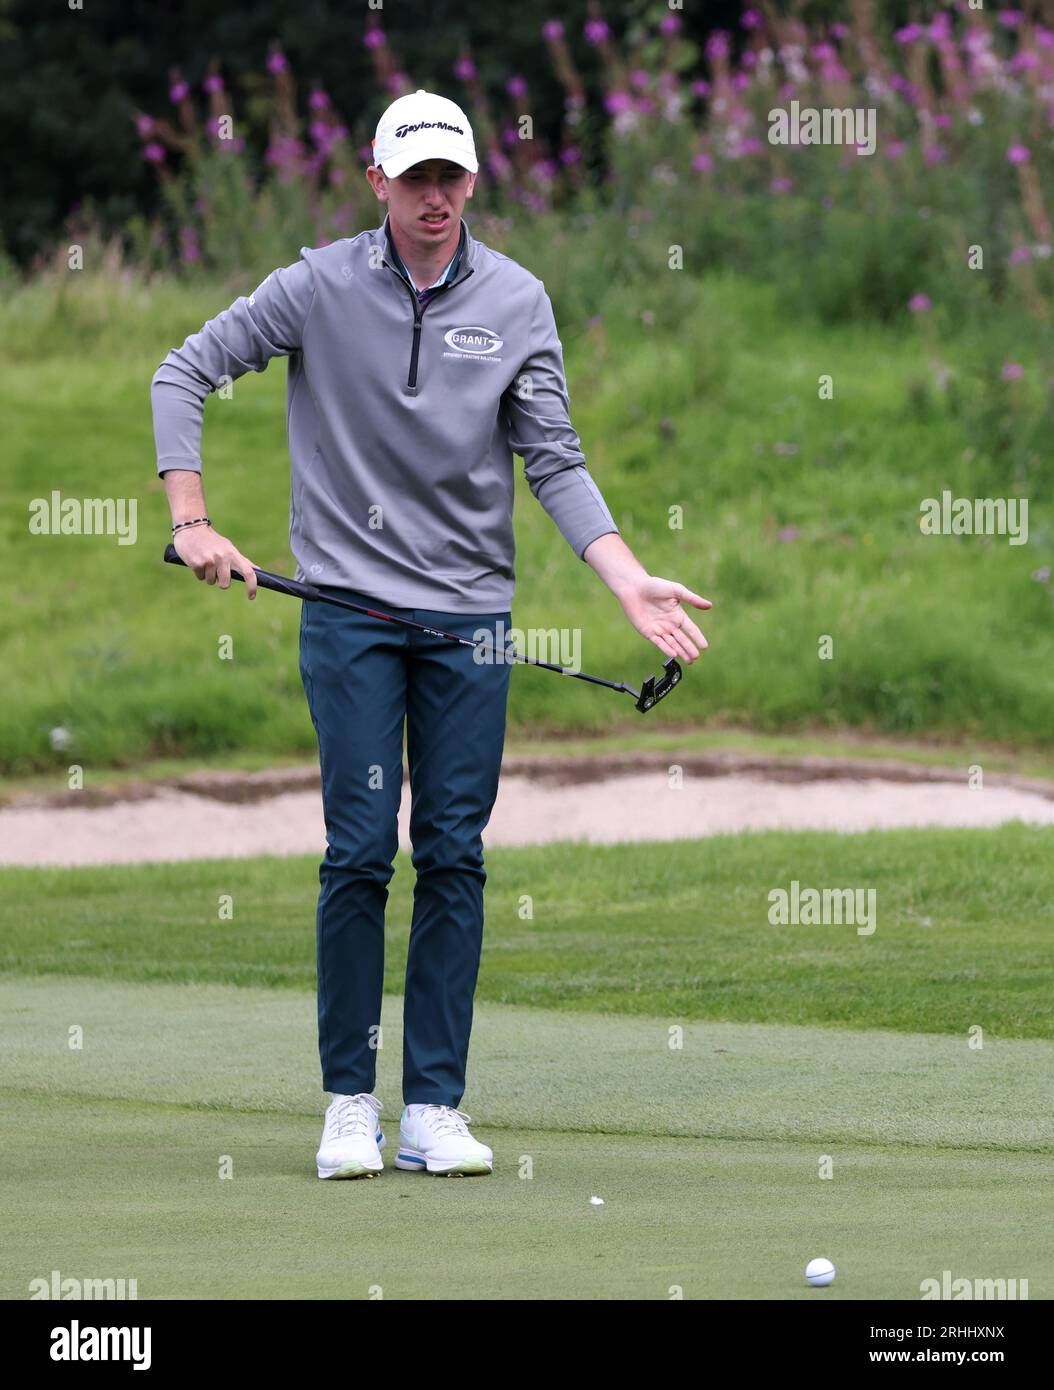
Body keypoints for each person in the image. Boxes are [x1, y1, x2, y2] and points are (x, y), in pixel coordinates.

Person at [150, 89, 710, 1180]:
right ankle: (351, 1102)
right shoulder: (315, 285)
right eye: (415, 180)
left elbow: (551, 457)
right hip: (350, 615)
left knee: (454, 853)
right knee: (360, 852)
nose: (436, 197)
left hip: (470, 625)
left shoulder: (516, 299)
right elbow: (184, 371)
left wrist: (626, 578)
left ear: (473, 181)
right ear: (376, 184)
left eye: (451, 176)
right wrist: (193, 519)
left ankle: (434, 1108)